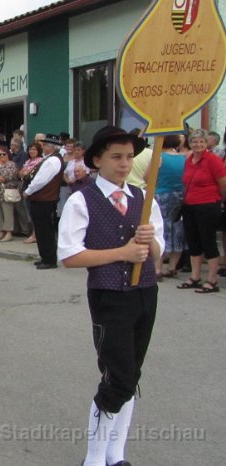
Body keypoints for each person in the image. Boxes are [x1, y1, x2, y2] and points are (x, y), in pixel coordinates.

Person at [57, 126, 162, 466]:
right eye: (116, 157)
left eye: (129, 157)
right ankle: (94, 458)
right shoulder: (81, 200)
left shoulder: (144, 199)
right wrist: (122, 252)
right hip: (109, 296)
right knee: (117, 378)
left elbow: (158, 253)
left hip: (145, 293)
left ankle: (116, 455)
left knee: (132, 376)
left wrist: (150, 240)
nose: (124, 164)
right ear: (97, 159)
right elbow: (70, 256)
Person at [176, 128, 226, 293]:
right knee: (193, 242)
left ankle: (212, 280)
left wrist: (220, 200)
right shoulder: (189, 159)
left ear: (206, 143)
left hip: (208, 205)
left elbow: (223, 182)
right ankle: (195, 277)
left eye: (201, 142)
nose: (198, 144)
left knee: (208, 241)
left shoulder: (212, 160)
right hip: (190, 205)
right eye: (194, 141)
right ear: (189, 143)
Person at [23, 134, 64, 270]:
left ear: (52, 147)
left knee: (45, 230)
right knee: (41, 230)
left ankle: (49, 259)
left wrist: (28, 191)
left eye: (45, 144)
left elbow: (41, 180)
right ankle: (45, 256)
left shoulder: (53, 161)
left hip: (44, 200)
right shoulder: (49, 159)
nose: (43, 146)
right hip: (41, 199)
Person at [151, 135, 187, 280]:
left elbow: (148, 176)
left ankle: (157, 268)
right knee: (178, 229)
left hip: (162, 194)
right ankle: (172, 267)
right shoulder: (183, 158)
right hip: (180, 195)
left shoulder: (159, 157)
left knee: (161, 229)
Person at [19, 142, 44, 244]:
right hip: (25, 185)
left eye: (34, 149)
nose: (31, 151)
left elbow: (31, 174)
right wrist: (24, 173)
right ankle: (34, 233)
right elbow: (20, 173)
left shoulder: (40, 161)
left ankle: (35, 235)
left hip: (34, 188)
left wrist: (25, 173)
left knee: (34, 213)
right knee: (29, 212)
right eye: (30, 149)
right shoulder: (28, 161)